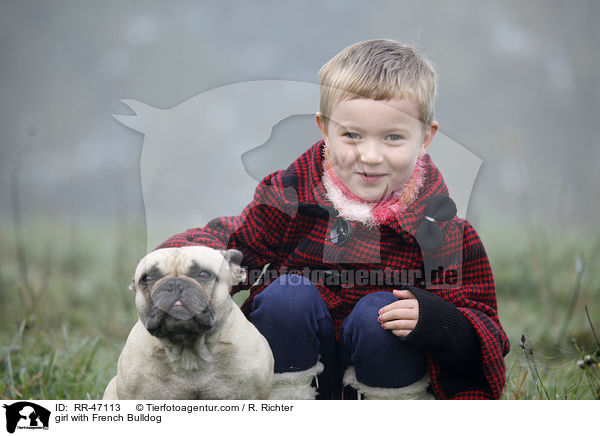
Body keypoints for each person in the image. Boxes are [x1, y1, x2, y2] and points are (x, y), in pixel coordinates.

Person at [157, 39, 510, 399]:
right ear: (325, 129)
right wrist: (179, 264)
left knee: (381, 313)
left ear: (425, 138)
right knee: (287, 297)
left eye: (393, 137)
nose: (370, 156)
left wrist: (439, 321)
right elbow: (235, 242)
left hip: (388, 376)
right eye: (352, 135)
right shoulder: (291, 199)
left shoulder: (443, 234)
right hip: (295, 368)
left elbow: (488, 339)